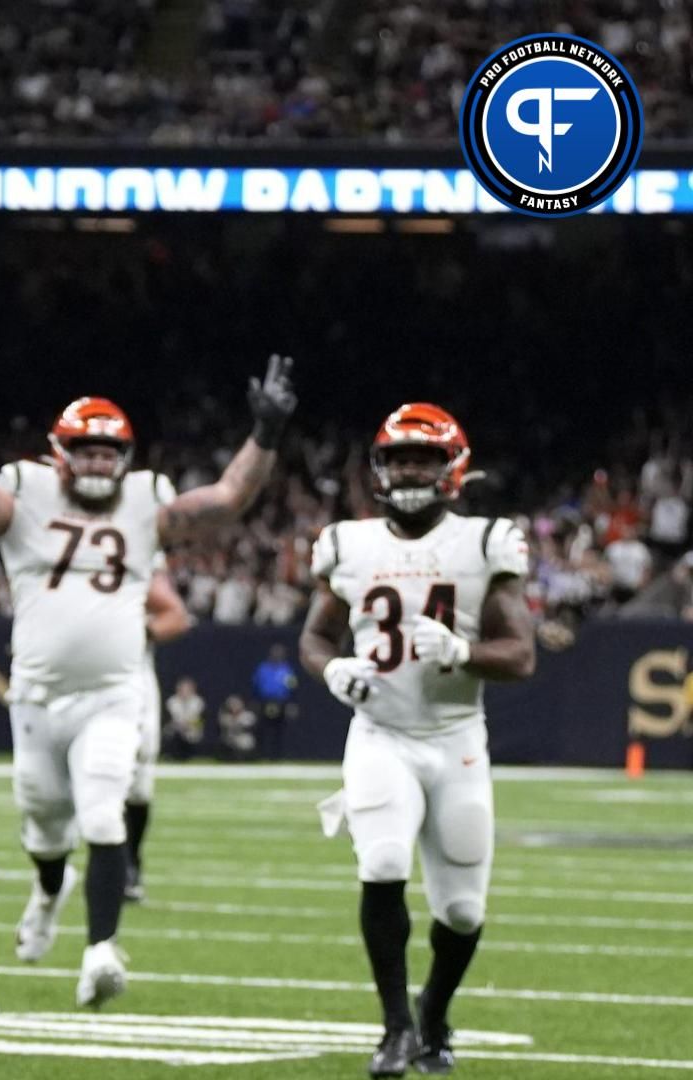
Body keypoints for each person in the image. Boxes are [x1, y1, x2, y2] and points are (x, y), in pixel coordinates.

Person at [0, 338, 295, 1008]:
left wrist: (267, 431)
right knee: (43, 827)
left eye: (109, 451)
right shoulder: (26, 493)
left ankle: (101, 950)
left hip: (112, 694)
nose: (99, 461)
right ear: (61, 453)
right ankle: (49, 892)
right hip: (38, 699)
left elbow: (226, 499)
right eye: (88, 449)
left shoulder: (144, 502)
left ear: (125, 459)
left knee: (104, 814)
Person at [300, 403, 536, 1077]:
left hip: (456, 737)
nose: (408, 469)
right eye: (399, 457)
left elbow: (520, 656)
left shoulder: (484, 542)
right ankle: (396, 1028)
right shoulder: (348, 544)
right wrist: (334, 667)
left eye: (423, 458)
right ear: (379, 467)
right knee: (379, 863)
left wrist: (465, 651)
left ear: (450, 469)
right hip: (380, 735)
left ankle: (434, 1010)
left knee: (461, 911)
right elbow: (316, 637)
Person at [124, 559, 192, 903]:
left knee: (137, 782)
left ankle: (128, 862)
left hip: (127, 671)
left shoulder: (135, 541)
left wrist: (137, 633)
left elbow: (175, 615)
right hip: (74, 666)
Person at [251, 643, 299, 760]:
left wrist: (291, 703)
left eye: (279, 653)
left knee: (280, 730)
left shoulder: (286, 670)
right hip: (265, 702)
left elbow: (292, 687)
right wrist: (255, 702)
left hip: (281, 702)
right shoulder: (263, 668)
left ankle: (278, 755)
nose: (277, 655)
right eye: (275, 653)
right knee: (263, 729)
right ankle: (262, 755)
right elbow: (256, 685)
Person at [163, 676, 205, 759]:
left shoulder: (198, 701)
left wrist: (188, 723)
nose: (184, 692)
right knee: (170, 730)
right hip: (176, 728)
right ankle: (172, 754)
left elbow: (196, 719)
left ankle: (190, 754)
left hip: (192, 729)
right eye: (182, 689)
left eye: (187, 689)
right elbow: (175, 718)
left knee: (194, 730)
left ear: (192, 690)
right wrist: (182, 723)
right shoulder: (172, 701)